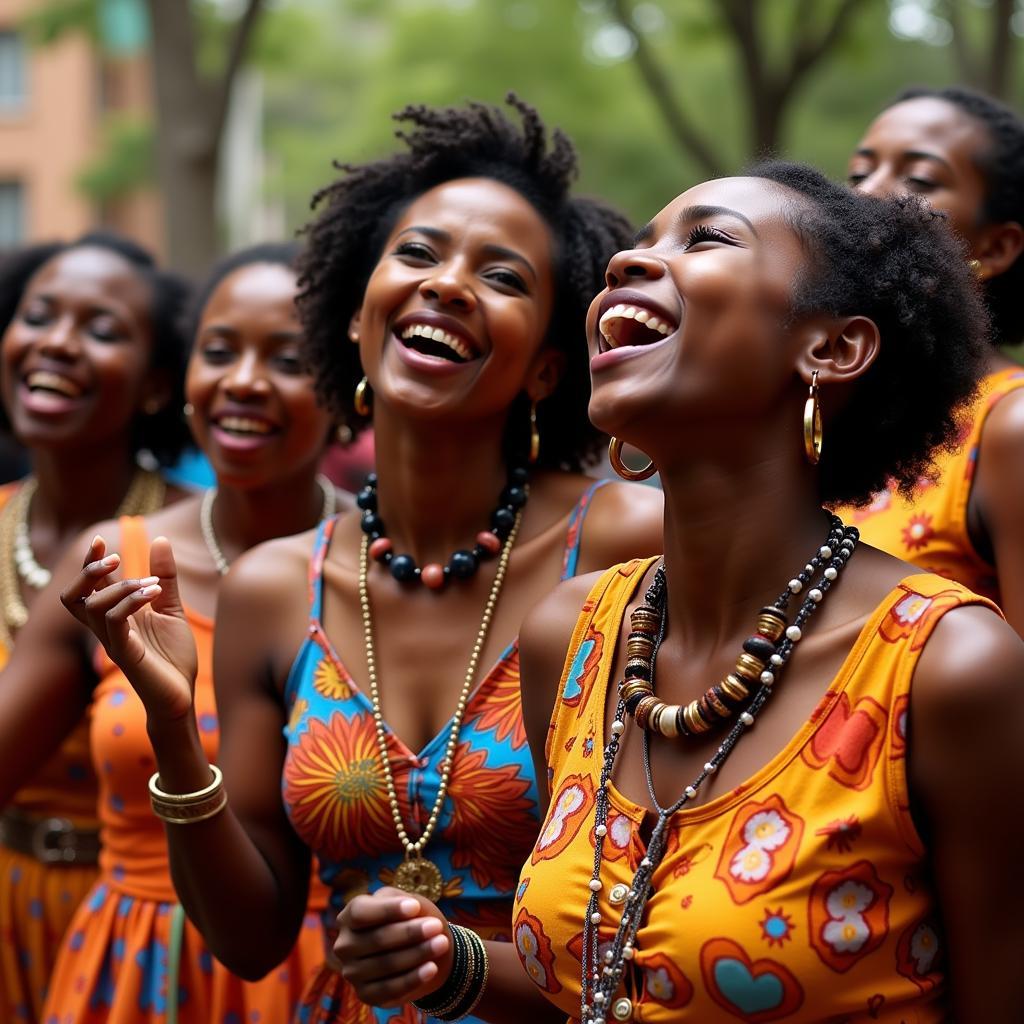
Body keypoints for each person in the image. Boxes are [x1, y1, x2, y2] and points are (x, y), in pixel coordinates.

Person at [328, 165, 1024, 1022]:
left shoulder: (950, 668)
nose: (629, 262)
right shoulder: (573, 634)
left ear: (832, 349)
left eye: (706, 238)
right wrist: (451, 961)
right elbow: (598, 986)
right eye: (642, 239)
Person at [61, 96, 664, 1023]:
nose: (447, 285)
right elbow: (254, 940)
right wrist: (175, 725)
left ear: (548, 368)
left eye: (500, 276)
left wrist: (464, 964)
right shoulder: (275, 588)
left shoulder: (630, 543)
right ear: (354, 316)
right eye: (417, 254)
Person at [1, 243, 340, 1022]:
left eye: (287, 359)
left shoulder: (386, 569)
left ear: (346, 388)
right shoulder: (116, 557)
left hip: (325, 969)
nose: (243, 380)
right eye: (218, 352)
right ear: (184, 381)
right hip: (131, 970)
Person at [0, 233, 192, 1023]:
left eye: (101, 329)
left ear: (153, 386)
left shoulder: (183, 548)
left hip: (125, 918)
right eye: (38, 315)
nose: (56, 342)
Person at [840, 86, 1024, 633]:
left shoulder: (1009, 427)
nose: (866, 194)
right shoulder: (825, 407)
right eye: (858, 174)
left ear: (995, 248)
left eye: (918, 179)